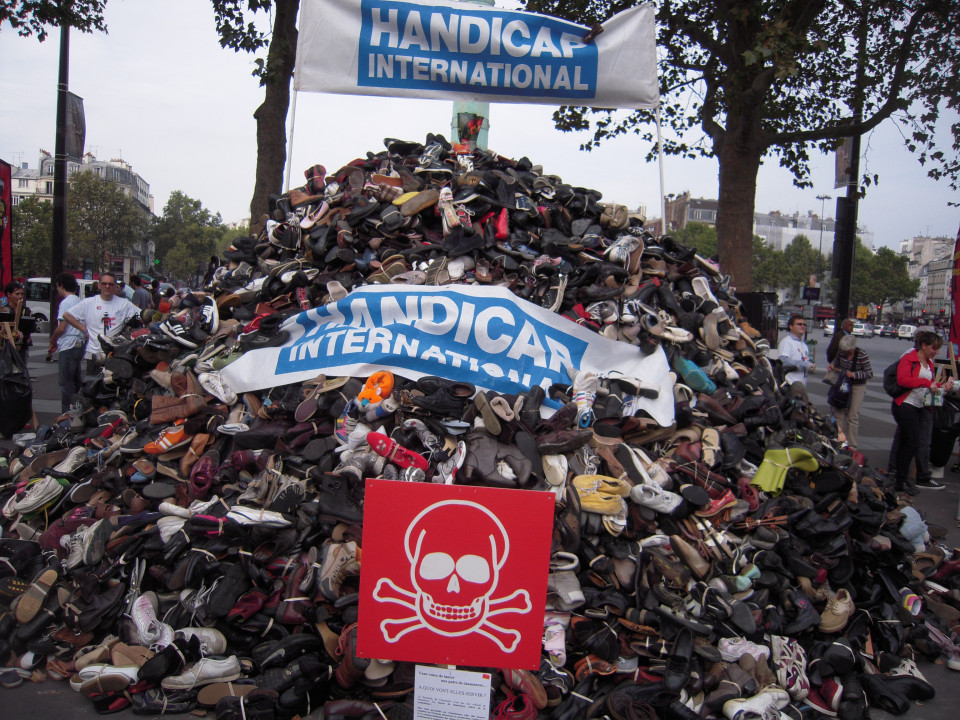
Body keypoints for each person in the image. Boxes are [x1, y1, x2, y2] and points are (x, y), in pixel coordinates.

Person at [890, 328, 954, 493]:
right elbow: (903, 380)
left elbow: (928, 384)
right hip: (905, 404)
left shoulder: (928, 362)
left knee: (909, 442)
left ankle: (901, 479)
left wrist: (942, 386)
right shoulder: (909, 358)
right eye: (934, 348)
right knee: (911, 442)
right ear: (924, 346)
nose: (936, 352)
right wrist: (927, 384)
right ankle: (900, 479)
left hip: (919, 405)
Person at [63, 272, 142, 375]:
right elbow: (67, 315)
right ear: (99, 285)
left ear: (115, 286)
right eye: (104, 283)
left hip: (116, 354)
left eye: (110, 284)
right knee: (92, 382)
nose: (107, 286)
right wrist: (84, 330)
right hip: (94, 353)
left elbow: (142, 316)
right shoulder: (88, 303)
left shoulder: (124, 304)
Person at [826, 334, 873, 450]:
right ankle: (840, 441)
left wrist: (854, 375)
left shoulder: (862, 354)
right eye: (843, 350)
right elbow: (836, 362)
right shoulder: (841, 353)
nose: (845, 353)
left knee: (853, 416)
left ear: (853, 348)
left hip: (857, 385)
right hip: (843, 384)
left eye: (847, 351)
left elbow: (869, 373)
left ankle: (852, 445)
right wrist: (832, 366)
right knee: (839, 413)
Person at [46, 273, 85, 413]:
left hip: (68, 344)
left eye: (57, 286)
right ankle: (78, 410)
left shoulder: (66, 302)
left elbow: (62, 327)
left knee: (65, 384)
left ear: (61, 285)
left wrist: (52, 340)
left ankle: (67, 415)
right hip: (79, 343)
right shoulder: (79, 301)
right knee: (75, 380)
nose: (57, 289)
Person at [2, 281, 34, 365]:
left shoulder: (26, 310)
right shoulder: (4, 310)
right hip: (6, 344)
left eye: (22, 294)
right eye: (17, 294)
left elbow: (31, 327)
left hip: (22, 345)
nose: (20, 296)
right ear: (9, 294)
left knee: (21, 368)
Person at [778, 314, 815, 386]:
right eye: (799, 324)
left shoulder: (804, 345)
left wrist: (810, 365)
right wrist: (804, 364)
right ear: (791, 326)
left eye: (804, 324)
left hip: (801, 384)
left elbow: (804, 360)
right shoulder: (787, 342)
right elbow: (783, 361)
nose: (802, 326)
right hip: (790, 384)